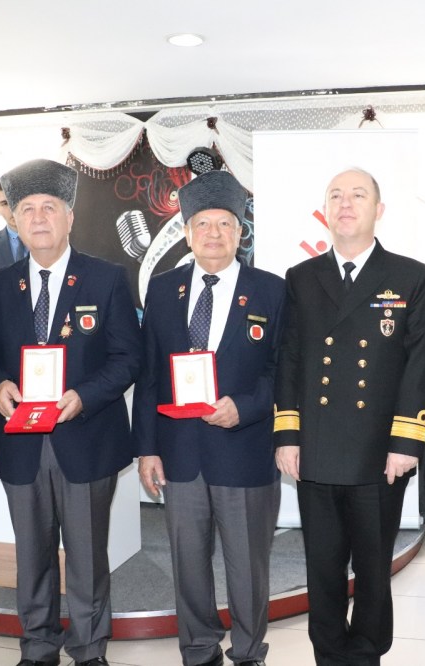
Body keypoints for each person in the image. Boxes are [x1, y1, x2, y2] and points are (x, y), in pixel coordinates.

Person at [0, 159, 142, 666]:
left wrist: (84, 396)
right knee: (32, 557)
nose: (38, 218)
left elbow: (128, 357)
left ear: (70, 217)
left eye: (49, 207)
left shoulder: (106, 279)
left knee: (87, 557)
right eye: (27, 209)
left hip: (86, 439)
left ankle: (88, 650)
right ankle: (38, 647)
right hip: (22, 444)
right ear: (14, 220)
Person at [274, 168, 425, 665]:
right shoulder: (301, 277)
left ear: (378, 210)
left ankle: (366, 654)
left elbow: (420, 365)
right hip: (318, 450)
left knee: (372, 571)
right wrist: (287, 435)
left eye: (358, 195)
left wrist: (406, 443)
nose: (345, 204)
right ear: (325, 210)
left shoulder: (412, 276)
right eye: (336, 196)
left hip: (378, 453)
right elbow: (290, 359)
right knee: (322, 569)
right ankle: (328, 655)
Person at [133, 170, 284, 666]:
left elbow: (284, 372)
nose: (213, 233)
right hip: (179, 454)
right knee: (188, 564)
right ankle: (198, 649)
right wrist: (147, 449)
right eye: (202, 223)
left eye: (224, 224)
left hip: (245, 451)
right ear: (187, 231)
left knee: (248, 567)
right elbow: (149, 375)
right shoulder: (162, 290)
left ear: (240, 232)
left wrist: (246, 406)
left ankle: (249, 651)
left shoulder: (272, 291)